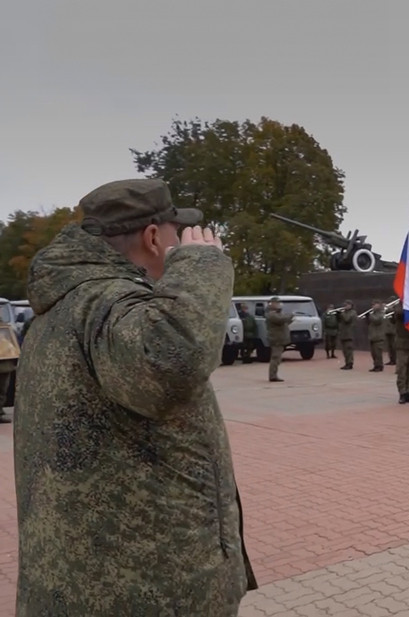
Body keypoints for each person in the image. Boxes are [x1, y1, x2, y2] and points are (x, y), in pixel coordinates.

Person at [14, 178, 256, 615]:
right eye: (173, 233)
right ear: (151, 237)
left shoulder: (70, 304)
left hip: (99, 579)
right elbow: (172, 363)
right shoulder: (105, 303)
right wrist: (200, 267)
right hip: (146, 589)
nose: (179, 240)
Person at [266, 296, 293, 382]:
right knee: (275, 358)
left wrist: (289, 320)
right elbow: (280, 319)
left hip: (280, 339)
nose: (279, 304)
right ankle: (273, 376)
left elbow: (283, 321)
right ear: (272, 304)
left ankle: (274, 374)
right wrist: (290, 315)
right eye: (277, 303)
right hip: (276, 339)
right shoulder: (271, 314)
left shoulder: (277, 313)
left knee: (277, 358)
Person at [366, 299, 386, 372]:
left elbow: (377, 320)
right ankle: (375, 365)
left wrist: (370, 316)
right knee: (374, 353)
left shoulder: (381, 313)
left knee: (378, 353)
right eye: (372, 305)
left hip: (378, 336)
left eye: (374, 304)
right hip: (373, 336)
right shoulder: (373, 313)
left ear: (378, 305)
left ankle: (379, 366)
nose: (373, 306)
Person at [384, 296, 397, 365]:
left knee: (394, 346)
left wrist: (389, 308)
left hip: (394, 330)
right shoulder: (386, 310)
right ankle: (391, 359)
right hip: (387, 330)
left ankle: (395, 360)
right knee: (389, 347)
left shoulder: (396, 309)